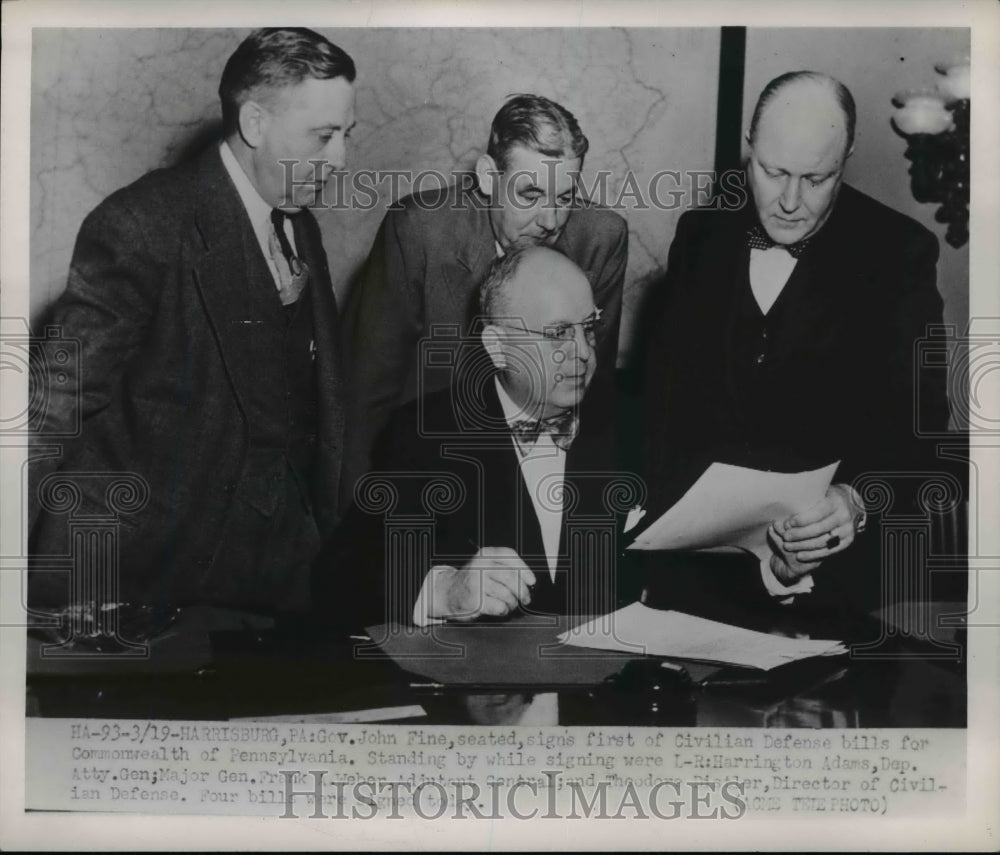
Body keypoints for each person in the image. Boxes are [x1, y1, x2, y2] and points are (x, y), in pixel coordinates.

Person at [29, 28, 357, 617]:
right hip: (140, 584)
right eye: (324, 137)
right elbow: (52, 411)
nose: (341, 160)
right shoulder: (140, 223)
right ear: (255, 124)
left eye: (345, 136)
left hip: (270, 581)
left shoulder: (298, 222)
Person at [638, 71, 950, 616]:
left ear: (847, 155)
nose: (789, 201)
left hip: (841, 589)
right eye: (773, 171)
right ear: (749, 149)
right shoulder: (699, 236)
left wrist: (857, 499)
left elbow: (920, 425)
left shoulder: (899, 253)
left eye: (816, 178)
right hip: (700, 580)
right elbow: (662, 409)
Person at [325, 247, 641, 627]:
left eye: (587, 327)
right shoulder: (429, 435)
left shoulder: (632, 421)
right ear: (498, 346)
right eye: (558, 333)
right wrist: (445, 592)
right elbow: (341, 577)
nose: (583, 352)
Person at [340, 93, 628, 505]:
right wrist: (362, 524)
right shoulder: (421, 230)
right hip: (430, 462)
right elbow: (367, 394)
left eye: (564, 197)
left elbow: (590, 393)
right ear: (488, 177)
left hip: (537, 469)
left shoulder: (601, 239)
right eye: (529, 195)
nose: (550, 222)